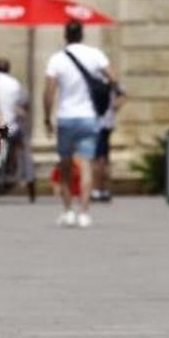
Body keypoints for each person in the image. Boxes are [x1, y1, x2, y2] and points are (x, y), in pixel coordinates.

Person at [44, 19, 116, 228]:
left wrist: (47, 117)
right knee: (86, 165)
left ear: (66, 35)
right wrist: (101, 93)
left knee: (65, 166)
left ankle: (68, 211)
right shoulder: (95, 55)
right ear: (82, 34)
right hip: (88, 117)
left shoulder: (57, 59)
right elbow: (113, 78)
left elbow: (49, 91)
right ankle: (84, 213)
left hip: (66, 117)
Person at [0, 57, 31, 200]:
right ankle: (14, 169)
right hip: (10, 127)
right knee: (20, 143)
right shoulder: (15, 84)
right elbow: (24, 103)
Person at [92, 83, 127, 202]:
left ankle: (97, 189)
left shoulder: (95, 80)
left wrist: (114, 107)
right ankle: (104, 189)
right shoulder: (111, 83)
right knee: (104, 158)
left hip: (98, 124)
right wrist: (114, 108)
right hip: (107, 123)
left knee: (98, 159)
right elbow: (123, 94)